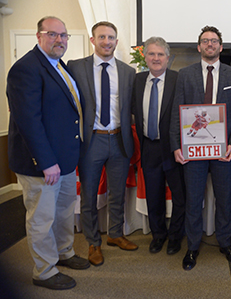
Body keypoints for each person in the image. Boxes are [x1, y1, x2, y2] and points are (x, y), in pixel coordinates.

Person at [7, 16, 89, 290]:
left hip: (64, 162)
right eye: (53, 34)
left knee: (64, 212)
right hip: (43, 165)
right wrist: (46, 162)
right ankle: (43, 270)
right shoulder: (26, 68)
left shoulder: (58, 66)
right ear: (39, 36)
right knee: (42, 218)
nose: (60, 40)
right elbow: (28, 121)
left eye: (63, 35)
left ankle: (64, 252)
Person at [170, 25, 231, 270]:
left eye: (214, 41)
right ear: (199, 46)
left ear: (221, 47)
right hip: (193, 151)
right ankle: (192, 247)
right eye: (205, 41)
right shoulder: (185, 74)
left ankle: (225, 242)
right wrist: (176, 146)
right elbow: (176, 113)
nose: (210, 44)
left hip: (223, 151)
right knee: (193, 201)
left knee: (224, 200)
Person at [68, 21, 137, 266]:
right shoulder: (76, 68)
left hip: (119, 140)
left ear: (116, 42)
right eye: (102, 37)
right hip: (91, 141)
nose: (106, 41)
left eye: (111, 37)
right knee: (89, 195)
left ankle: (115, 234)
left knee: (118, 193)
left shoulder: (128, 72)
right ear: (93, 40)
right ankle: (93, 242)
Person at [131, 37, 186, 255]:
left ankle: (175, 237)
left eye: (160, 54)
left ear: (168, 58)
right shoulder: (136, 80)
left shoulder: (178, 79)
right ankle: (158, 235)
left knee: (179, 196)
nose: (156, 58)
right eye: (151, 54)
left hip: (173, 147)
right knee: (153, 196)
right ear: (145, 57)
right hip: (149, 147)